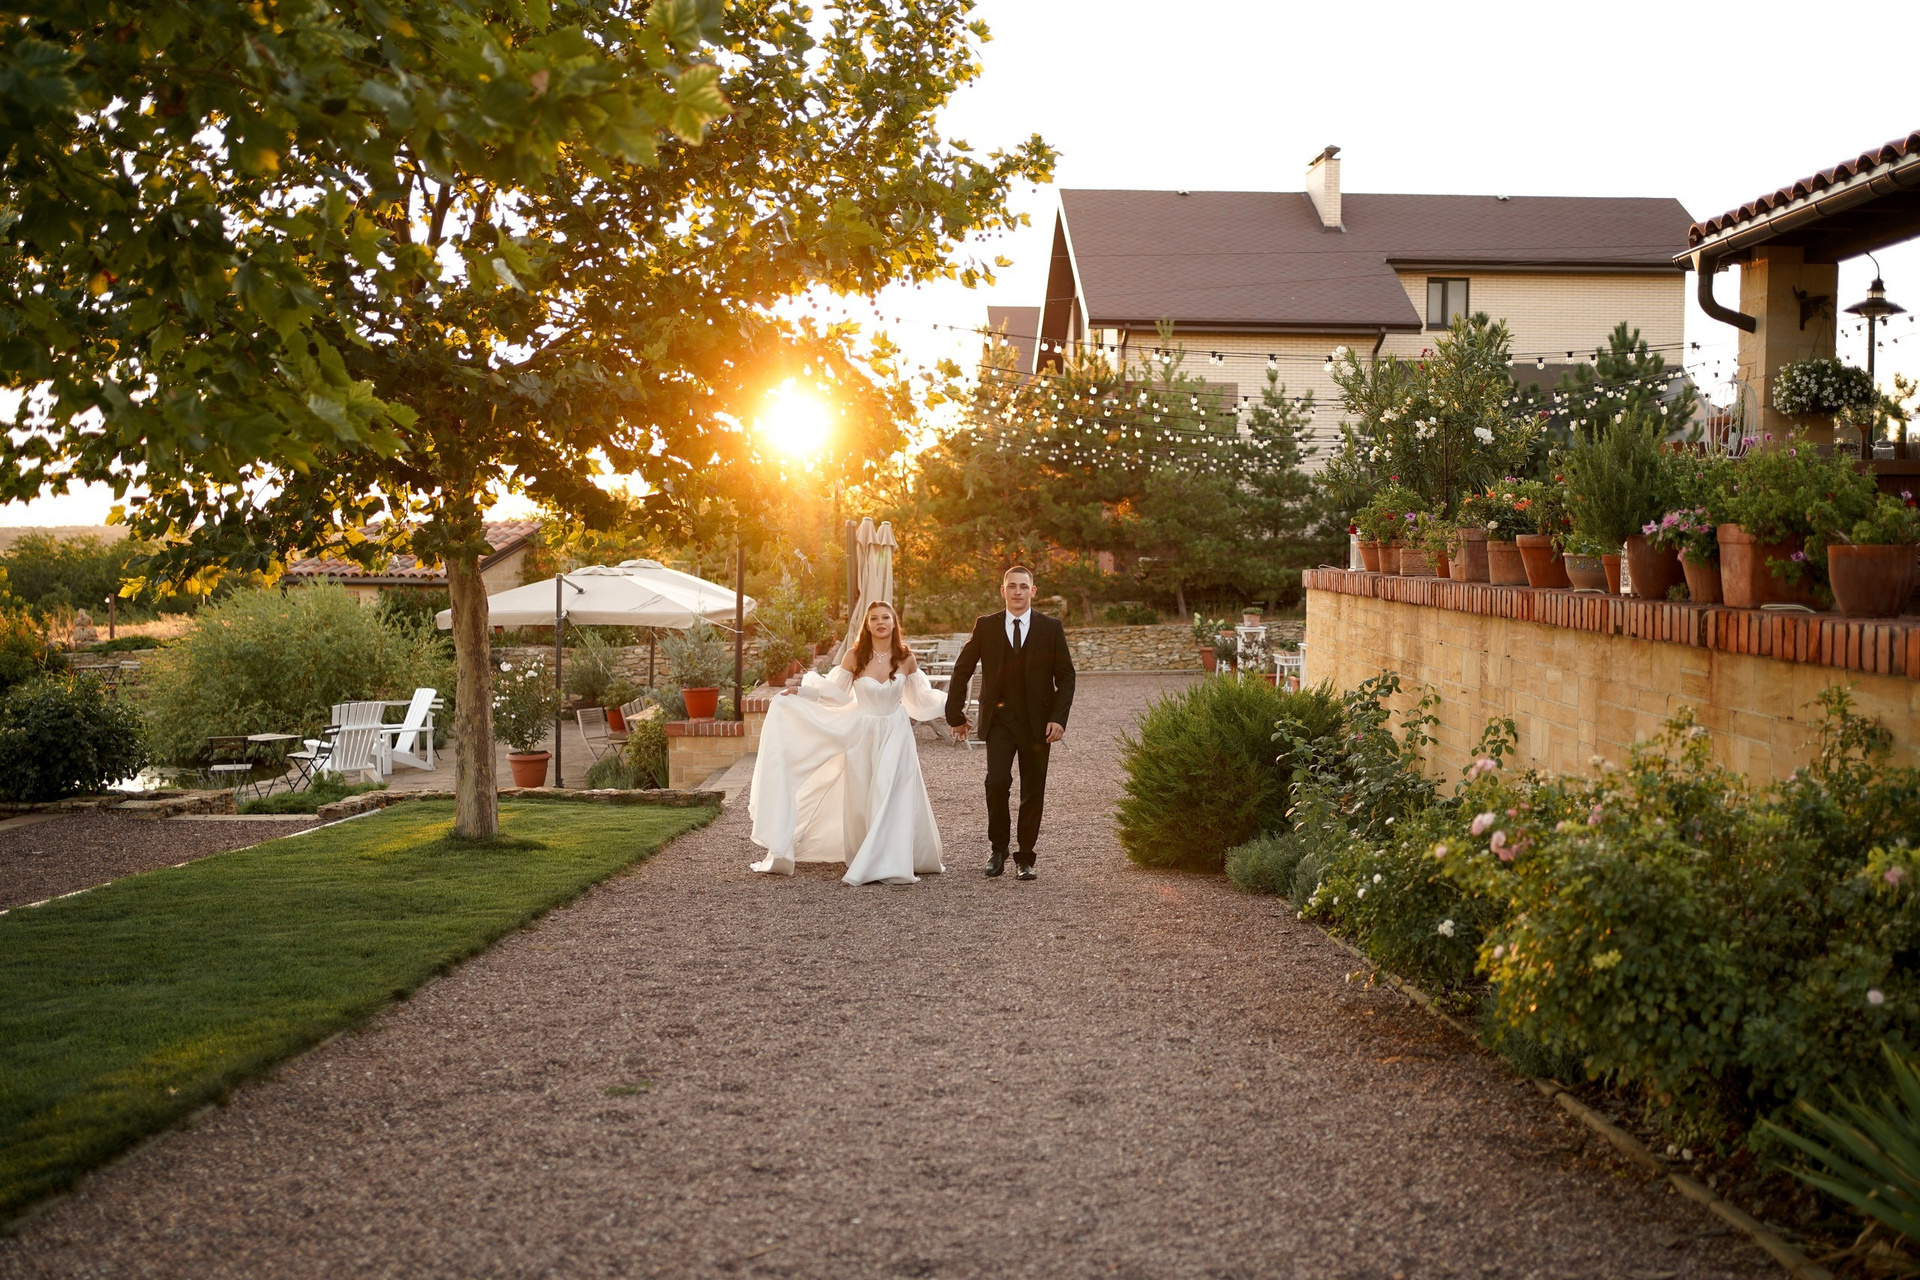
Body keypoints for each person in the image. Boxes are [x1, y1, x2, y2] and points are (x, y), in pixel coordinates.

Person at [748, 600, 948, 885]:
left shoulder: (906, 658)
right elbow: (834, 693)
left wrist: (954, 710)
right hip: (862, 734)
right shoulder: (855, 656)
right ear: (867, 625)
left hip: (896, 733)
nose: (880, 622)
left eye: (886, 617)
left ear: (894, 623)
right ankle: (866, 852)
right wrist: (801, 693)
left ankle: (892, 860)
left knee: (893, 791)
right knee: (863, 796)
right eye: (874, 618)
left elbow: (923, 699)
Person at [944, 566, 1076, 881]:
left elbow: (1066, 677)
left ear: (1033, 591)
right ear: (1003, 591)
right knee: (997, 782)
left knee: (1033, 789)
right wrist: (955, 714)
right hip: (999, 721)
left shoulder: (1051, 627)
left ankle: (1025, 858)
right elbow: (963, 668)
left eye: (1023, 586)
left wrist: (1058, 719)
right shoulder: (986, 625)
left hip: (1038, 725)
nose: (1017, 591)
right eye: (1012, 586)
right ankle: (998, 849)